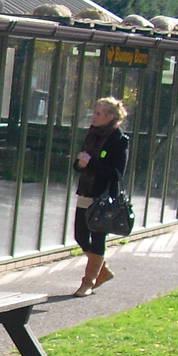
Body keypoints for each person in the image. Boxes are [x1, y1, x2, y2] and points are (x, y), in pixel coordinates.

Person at [73, 96, 130, 296]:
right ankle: (101, 269)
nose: (94, 116)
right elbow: (80, 161)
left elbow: (116, 173)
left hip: (102, 197)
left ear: (110, 116)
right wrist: (80, 163)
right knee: (80, 235)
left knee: (97, 236)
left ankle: (88, 281)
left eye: (98, 113)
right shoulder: (92, 135)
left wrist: (92, 164)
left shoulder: (118, 140)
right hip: (85, 191)